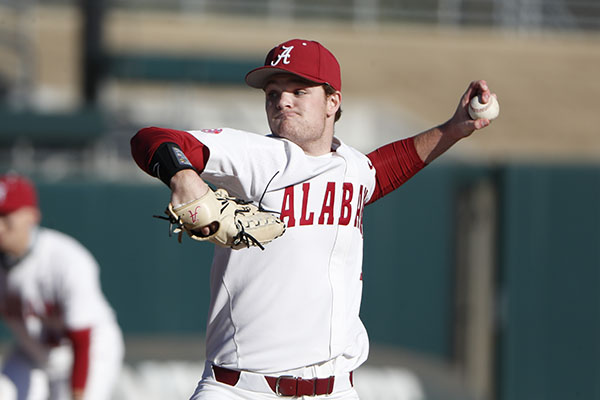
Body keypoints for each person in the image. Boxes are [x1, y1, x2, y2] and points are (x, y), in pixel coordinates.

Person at [130, 38, 496, 399]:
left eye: (299, 90)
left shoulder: (352, 168)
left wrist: (453, 129)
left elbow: (382, 171)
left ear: (332, 102)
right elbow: (150, 137)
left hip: (336, 390)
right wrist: (183, 175)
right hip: (241, 389)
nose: (282, 101)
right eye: (272, 93)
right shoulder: (255, 156)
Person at [0, 174, 124, 400]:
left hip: (90, 351)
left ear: (31, 216)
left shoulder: (66, 260)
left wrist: (77, 396)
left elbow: (81, 340)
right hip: (33, 353)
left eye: (6, 216)